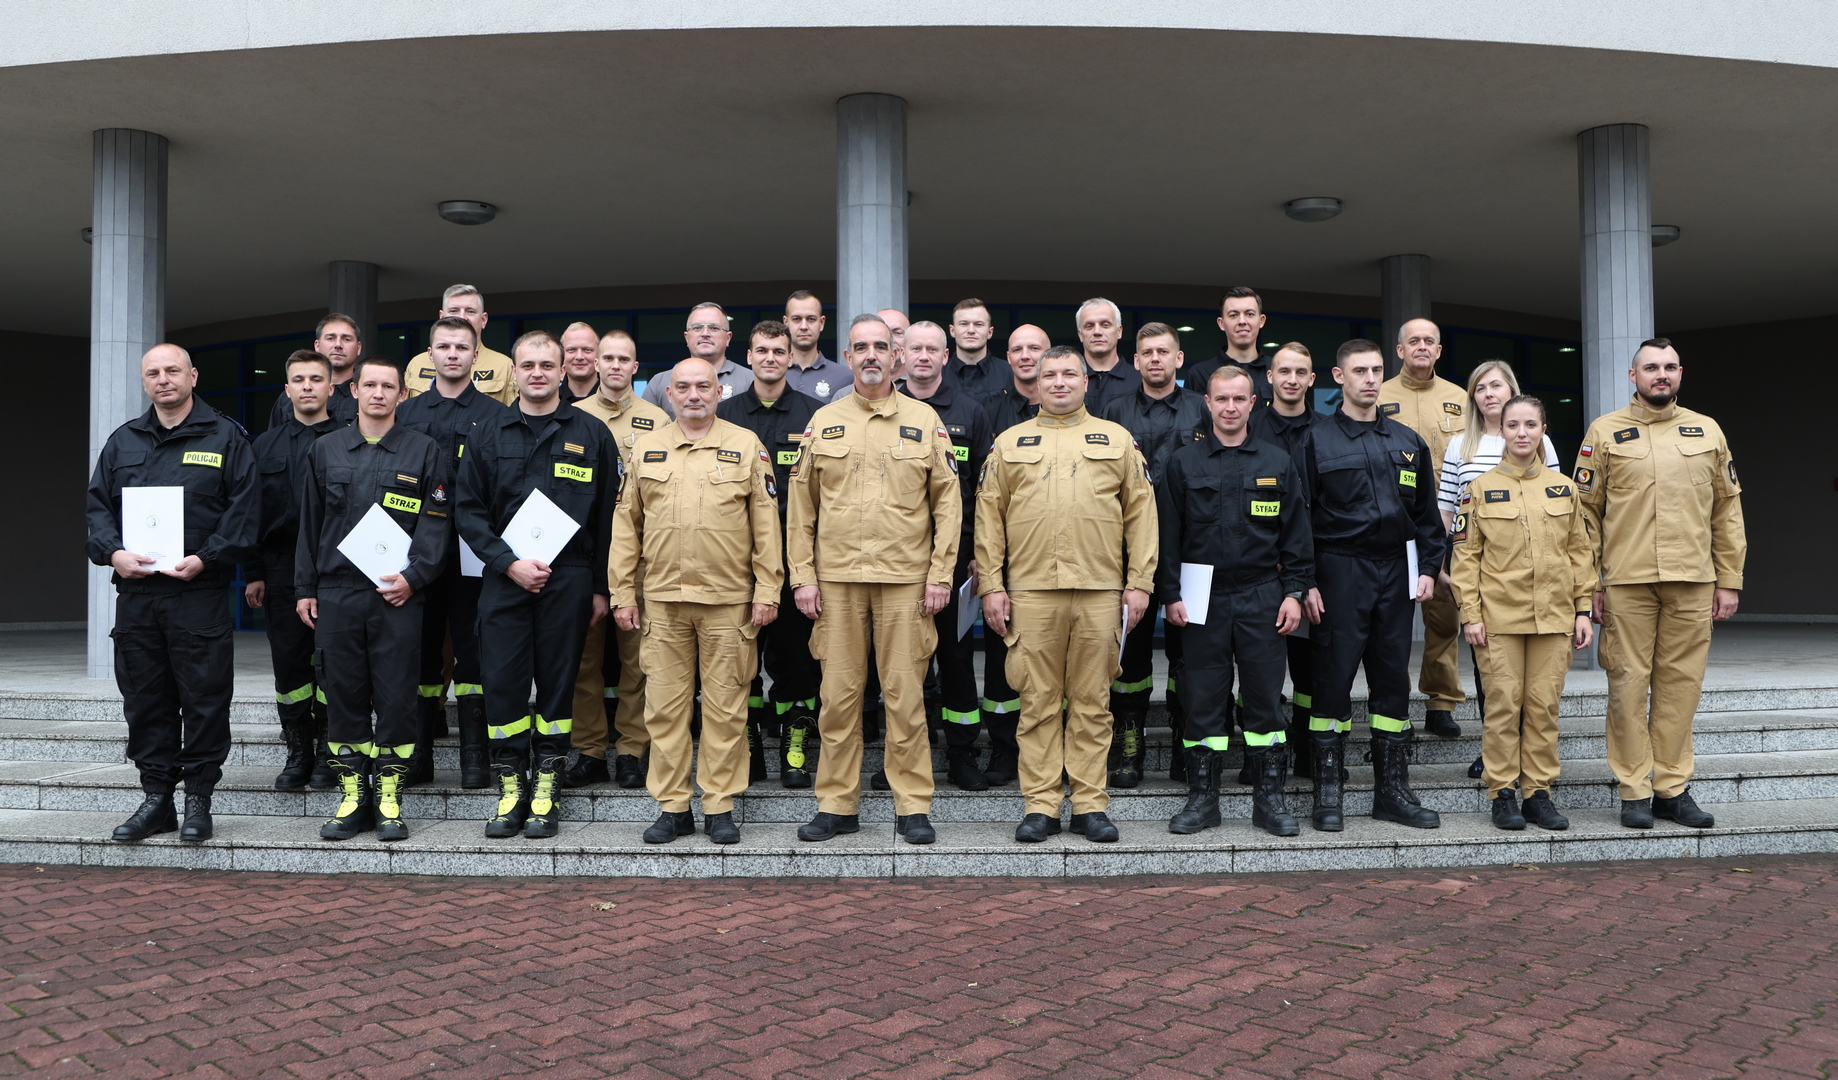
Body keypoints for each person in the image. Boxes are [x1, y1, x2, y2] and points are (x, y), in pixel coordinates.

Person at [787, 314, 961, 845]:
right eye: (860, 347)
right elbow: (801, 508)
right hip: (837, 581)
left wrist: (940, 574)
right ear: (847, 355)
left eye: (880, 347)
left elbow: (948, 504)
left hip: (906, 582)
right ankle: (837, 805)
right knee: (838, 699)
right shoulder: (824, 422)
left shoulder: (925, 420)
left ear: (897, 356)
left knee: (905, 698)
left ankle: (912, 806)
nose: (870, 356)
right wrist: (802, 577)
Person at [977, 346, 1157, 844]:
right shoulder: (1010, 443)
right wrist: (992, 586)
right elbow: (987, 520)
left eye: (1068, 374)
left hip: (1100, 591)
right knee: (1036, 702)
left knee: (1092, 702)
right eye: (1048, 375)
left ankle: (1089, 805)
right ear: (1035, 384)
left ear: (1086, 382)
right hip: (1031, 592)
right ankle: (1040, 806)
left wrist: (1139, 583)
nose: (1058, 382)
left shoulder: (1117, 440)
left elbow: (1142, 516)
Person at [87, 344, 259, 843]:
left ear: (193, 376)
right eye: (153, 373)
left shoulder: (226, 437)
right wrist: (113, 553)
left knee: (204, 699)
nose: (163, 380)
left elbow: (246, 514)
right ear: (145, 382)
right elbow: (98, 510)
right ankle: (157, 799)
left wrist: (208, 557)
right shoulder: (123, 442)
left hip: (198, 593)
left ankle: (199, 801)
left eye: (172, 371)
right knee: (145, 700)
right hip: (138, 597)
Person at [1577, 338, 1746, 830]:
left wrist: (1728, 579)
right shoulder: (1605, 433)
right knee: (1627, 686)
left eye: (1670, 367)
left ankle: (1672, 788)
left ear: (1680, 374)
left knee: (1681, 687)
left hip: (1693, 581)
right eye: (1651, 367)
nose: (1661, 374)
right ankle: (1634, 790)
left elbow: (1726, 509)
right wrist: (1591, 584)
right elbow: (1584, 514)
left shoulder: (1707, 431)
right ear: (1634, 376)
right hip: (1626, 582)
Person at [611, 359, 782, 845]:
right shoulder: (646, 449)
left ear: (719, 391)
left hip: (728, 601)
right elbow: (626, 529)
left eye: (701, 387)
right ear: (668, 395)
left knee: (726, 709)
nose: (692, 395)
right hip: (662, 602)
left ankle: (720, 804)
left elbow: (767, 528)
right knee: (664, 709)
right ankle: (672, 807)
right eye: (682, 387)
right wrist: (624, 592)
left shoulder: (746, 446)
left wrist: (768, 590)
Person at [457, 331, 617, 839]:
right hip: (506, 579)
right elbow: (468, 511)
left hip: (568, 579)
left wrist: (600, 588)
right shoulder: (486, 432)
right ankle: (511, 788)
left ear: (564, 369)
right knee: (502, 685)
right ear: (515, 371)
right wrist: (508, 563)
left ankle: (546, 786)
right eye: (528, 365)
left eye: (548, 364)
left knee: (557, 683)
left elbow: (607, 521)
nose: (538, 373)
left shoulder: (592, 434)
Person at [295, 359, 451, 841]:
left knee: (397, 696)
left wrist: (415, 577)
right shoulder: (325, 450)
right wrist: (305, 587)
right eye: (370, 385)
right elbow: (309, 522)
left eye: (388, 386)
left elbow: (438, 522)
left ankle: (388, 799)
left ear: (401, 394)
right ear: (355, 391)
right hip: (338, 594)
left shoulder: (426, 452)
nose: (378, 394)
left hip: (398, 596)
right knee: (342, 696)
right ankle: (351, 796)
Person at [1299, 339, 1448, 832]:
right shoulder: (1315, 441)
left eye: (1376, 370)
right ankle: (1327, 794)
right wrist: (1306, 583)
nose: (1368, 378)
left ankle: (1393, 793)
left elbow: (1427, 518)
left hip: (1396, 573)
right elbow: (1298, 521)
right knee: (1332, 681)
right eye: (1358, 370)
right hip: (1339, 571)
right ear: (1338, 378)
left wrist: (1428, 568)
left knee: (1392, 683)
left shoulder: (1407, 441)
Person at [1158, 366, 1312, 837]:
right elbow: (1168, 536)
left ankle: (1270, 802)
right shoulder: (1183, 462)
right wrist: (1169, 595)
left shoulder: (1277, 461)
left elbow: (1297, 535)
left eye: (1238, 399)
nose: (1229, 407)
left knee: (1265, 701)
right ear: (1207, 403)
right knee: (1203, 701)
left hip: (1263, 593)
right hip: (1201, 594)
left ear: (1253, 403)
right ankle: (1203, 802)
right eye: (1221, 399)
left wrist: (1295, 594)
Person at [1450, 395, 1595, 832]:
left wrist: (1583, 609)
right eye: (1513, 425)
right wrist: (1470, 615)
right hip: (1499, 621)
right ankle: (1503, 793)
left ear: (1542, 430)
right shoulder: (1478, 490)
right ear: (1502, 431)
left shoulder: (1564, 488)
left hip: (1554, 618)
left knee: (1543, 707)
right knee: (1503, 706)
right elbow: (1465, 558)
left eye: (1530, 424)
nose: (1522, 433)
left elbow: (1580, 553)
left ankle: (1538, 793)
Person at [1436, 360, 1563, 780]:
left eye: (1497, 385)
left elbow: (1559, 514)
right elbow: (1448, 510)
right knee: (1491, 672)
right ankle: (1494, 753)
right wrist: (1449, 565)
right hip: (1484, 578)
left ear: (1512, 390)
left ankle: (1530, 755)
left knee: (1534, 683)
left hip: (1537, 583)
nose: (1489, 393)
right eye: (1480, 388)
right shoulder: (1461, 446)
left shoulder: (1542, 446)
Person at [395, 316, 507, 789]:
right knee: (421, 651)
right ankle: (419, 757)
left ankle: (475, 759)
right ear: (430, 356)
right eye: (444, 347)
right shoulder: (407, 414)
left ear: (477, 355)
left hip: (473, 548)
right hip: (419, 550)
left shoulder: (498, 414)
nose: (453, 354)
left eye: (463, 347)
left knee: (472, 649)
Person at [1098, 322, 1207, 787]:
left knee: (1191, 653)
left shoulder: (1203, 409)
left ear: (1179, 359)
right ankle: (1129, 741)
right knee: (1131, 654)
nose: (1156, 359)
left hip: (1193, 549)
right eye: (1147, 353)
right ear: (1136, 361)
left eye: (1164, 351)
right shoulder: (1114, 410)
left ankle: (1187, 739)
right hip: (1127, 549)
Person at [718, 320, 825, 787]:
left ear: (789, 357)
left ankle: (794, 744)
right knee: (740, 661)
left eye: (779, 351)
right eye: (761, 351)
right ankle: (749, 745)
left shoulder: (815, 416)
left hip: (794, 561)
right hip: (735, 564)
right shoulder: (725, 417)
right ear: (749, 355)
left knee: (796, 660)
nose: (770, 358)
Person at [568, 328, 670, 790]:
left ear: (635, 368)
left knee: (638, 660)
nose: (612, 365)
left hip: (641, 560)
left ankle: (632, 749)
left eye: (622, 359)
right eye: (605, 357)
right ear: (592, 364)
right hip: (584, 556)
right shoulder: (571, 418)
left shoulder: (659, 420)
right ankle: (589, 748)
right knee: (582, 660)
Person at [899, 320, 995, 790]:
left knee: (956, 659)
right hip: (898, 560)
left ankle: (961, 753)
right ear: (903, 354)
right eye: (914, 348)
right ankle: (901, 755)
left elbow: (985, 490)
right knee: (902, 663)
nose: (922, 356)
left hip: (955, 559)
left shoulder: (970, 411)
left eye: (931, 349)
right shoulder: (887, 409)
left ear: (944, 356)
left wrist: (979, 551)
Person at [247, 350, 343, 792]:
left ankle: (328, 751)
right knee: (289, 667)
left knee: (331, 665)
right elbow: (251, 514)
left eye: (316, 379)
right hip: (282, 569)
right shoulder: (262, 447)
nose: (307, 386)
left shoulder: (349, 438)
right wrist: (254, 571)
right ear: (286, 389)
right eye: (298, 379)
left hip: (335, 570)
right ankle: (298, 749)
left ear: (332, 387)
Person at [1376, 317, 1469, 739]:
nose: (1421, 347)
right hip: (1390, 523)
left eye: (1429, 341)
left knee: (1444, 614)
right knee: (1388, 616)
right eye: (1413, 341)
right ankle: (1391, 701)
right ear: (1399, 350)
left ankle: (1441, 700)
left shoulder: (1460, 398)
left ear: (1438, 350)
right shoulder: (1378, 393)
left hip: (1443, 522)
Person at [974, 323, 1052, 783]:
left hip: (1062, 566)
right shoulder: (990, 411)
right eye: (1018, 350)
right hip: (1006, 565)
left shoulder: (1087, 416)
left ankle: (1053, 755)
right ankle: (1005, 751)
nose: (1027, 357)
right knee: (1004, 669)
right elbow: (985, 498)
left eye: (1035, 349)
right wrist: (989, 570)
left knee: (1054, 671)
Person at [1247, 343, 1324, 773]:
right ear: (1270, 378)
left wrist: (1307, 576)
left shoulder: (1328, 430)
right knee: (1259, 667)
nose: (1292, 379)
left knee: (1310, 668)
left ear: (1312, 380)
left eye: (1301, 372)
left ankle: (1307, 750)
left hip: (1312, 568)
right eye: (1284, 371)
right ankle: (1259, 757)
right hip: (1259, 567)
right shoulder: (1250, 427)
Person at [405, 285, 519, 405]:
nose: (462, 317)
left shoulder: (504, 366)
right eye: (454, 311)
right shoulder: (417, 364)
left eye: (470, 311)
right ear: (441, 318)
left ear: (483, 320)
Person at [642, 302, 756, 415]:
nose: (705, 333)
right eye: (697, 328)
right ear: (687, 338)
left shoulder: (751, 381)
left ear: (728, 338)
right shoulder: (659, 383)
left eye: (714, 328)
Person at [265, 314, 362, 429]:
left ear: (358, 348)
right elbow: (275, 440)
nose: (338, 345)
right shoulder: (289, 397)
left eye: (346, 339)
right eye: (330, 338)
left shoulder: (366, 394)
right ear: (317, 345)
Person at [1183, 287, 1274, 404]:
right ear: (1221, 323)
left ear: (1261, 321)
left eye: (1250, 314)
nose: (1242, 321)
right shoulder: (1199, 374)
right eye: (1233, 315)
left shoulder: (1278, 371)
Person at [1076, 297, 1142, 415]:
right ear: (1080, 335)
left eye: (1105, 325)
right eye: (1089, 326)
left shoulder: (1140, 380)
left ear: (1119, 331)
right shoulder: (1069, 380)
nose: (1097, 332)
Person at [783, 290, 850, 403]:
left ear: (821, 323)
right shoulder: (771, 373)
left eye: (811, 319)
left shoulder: (846, 377)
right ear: (786, 322)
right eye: (796, 319)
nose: (804, 326)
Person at [945, 298, 1012, 396]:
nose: (971, 330)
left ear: (990, 332)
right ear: (952, 331)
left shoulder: (1009, 373)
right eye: (964, 324)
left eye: (978, 324)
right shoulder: (938, 374)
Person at [558, 321, 601, 402]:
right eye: (571, 350)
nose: (579, 357)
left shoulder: (613, 399)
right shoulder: (551, 401)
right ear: (561, 355)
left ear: (599, 354)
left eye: (587, 350)